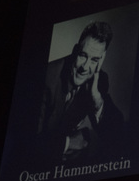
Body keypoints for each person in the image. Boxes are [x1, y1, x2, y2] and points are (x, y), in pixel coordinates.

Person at [37, 21, 124, 161]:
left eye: (94, 60)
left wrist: (98, 103)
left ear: (101, 60)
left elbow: (118, 135)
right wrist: (69, 142)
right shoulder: (47, 77)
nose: (85, 67)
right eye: (83, 55)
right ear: (75, 51)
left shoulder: (98, 80)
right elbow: (29, 141)